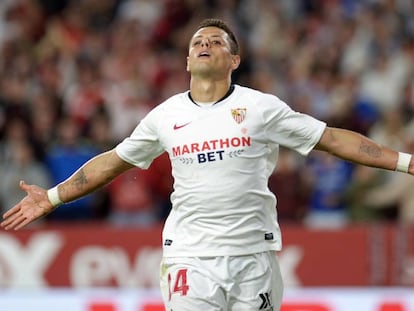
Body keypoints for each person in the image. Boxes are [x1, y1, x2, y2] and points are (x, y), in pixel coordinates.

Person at [1, 18, 413, 311]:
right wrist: (52, 197)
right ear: (186, 61)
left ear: (235, 60)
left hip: (254, 255)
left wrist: (406, 162)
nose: (205, 44)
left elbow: (333, 139)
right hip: (190, 257)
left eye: (217, 41)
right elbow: (112, 163)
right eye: (198, 40)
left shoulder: (261, 107)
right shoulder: (165, 115)